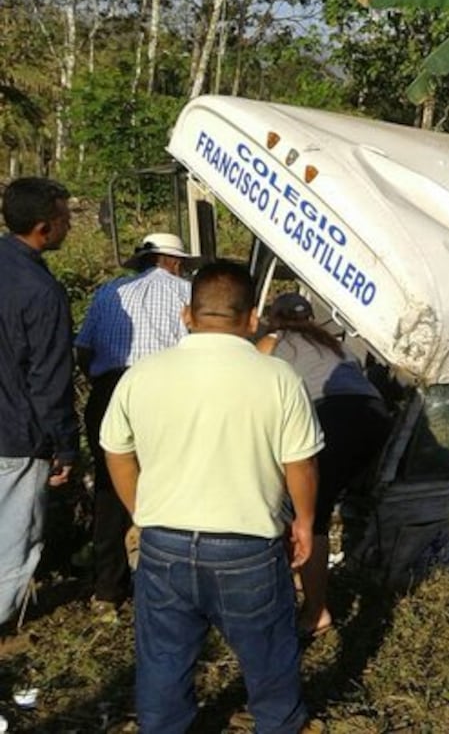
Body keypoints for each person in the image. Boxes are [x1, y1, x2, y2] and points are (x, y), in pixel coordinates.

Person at [100, 261, 323, 733]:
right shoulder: (278, 378)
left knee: (163, 664)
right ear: (252, 318)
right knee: (269, 664)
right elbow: (300, 463)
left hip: (165, 545)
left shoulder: (143, 374)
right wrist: (303, 521)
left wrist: (140, 511)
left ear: (187, 314)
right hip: (247, 550)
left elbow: (116, 451)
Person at [256, 292, 392, 637]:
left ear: (274, 318)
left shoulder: (274, 341)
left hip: (333, 416)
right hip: (374, 419)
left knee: (305, 513)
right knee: (320, 499)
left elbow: (250, 388)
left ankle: (316, 612)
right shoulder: (334, 344)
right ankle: (309, 581)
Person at [75, 232, 195, 610]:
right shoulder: (185, 293)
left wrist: (103, 385)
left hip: (109, 390)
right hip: (162, 390)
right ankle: (163, 585)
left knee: (109, 488)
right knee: (168, 483)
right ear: (173, 262)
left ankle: (107, 589)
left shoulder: (109, 293)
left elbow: (84, 350)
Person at [0, 177, 77, 627]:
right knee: (12, 541)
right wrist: (64, 446)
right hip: (15, 436)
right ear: (44, 228)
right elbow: (49, 379)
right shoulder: (42, 293)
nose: (69, 226)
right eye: (65, 219)